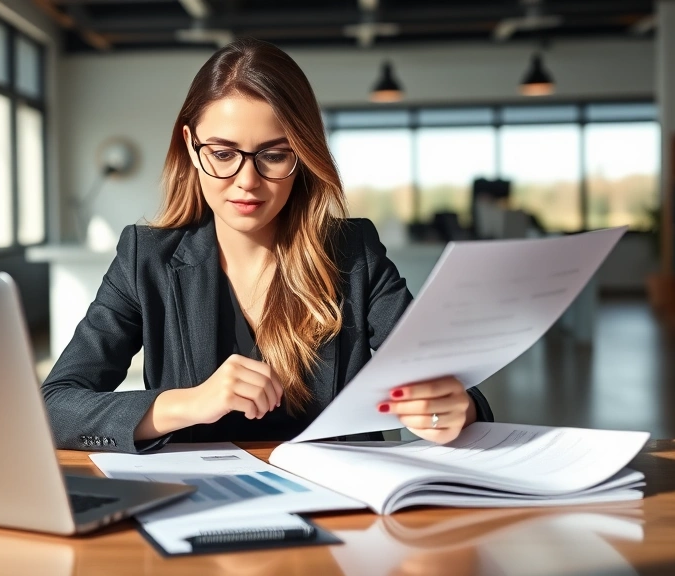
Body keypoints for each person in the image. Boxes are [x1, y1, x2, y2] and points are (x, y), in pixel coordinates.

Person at [42, 38, 493, 454]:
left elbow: (451, 387)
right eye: (222, 153)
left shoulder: (353, 253)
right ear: (189, 145)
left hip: (342, 514)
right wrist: (187, 403)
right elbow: (55, 405)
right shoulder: (147, 259)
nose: (247, 181)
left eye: (274, 155)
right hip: (201, 510)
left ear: (304, 155)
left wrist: (453, 408)